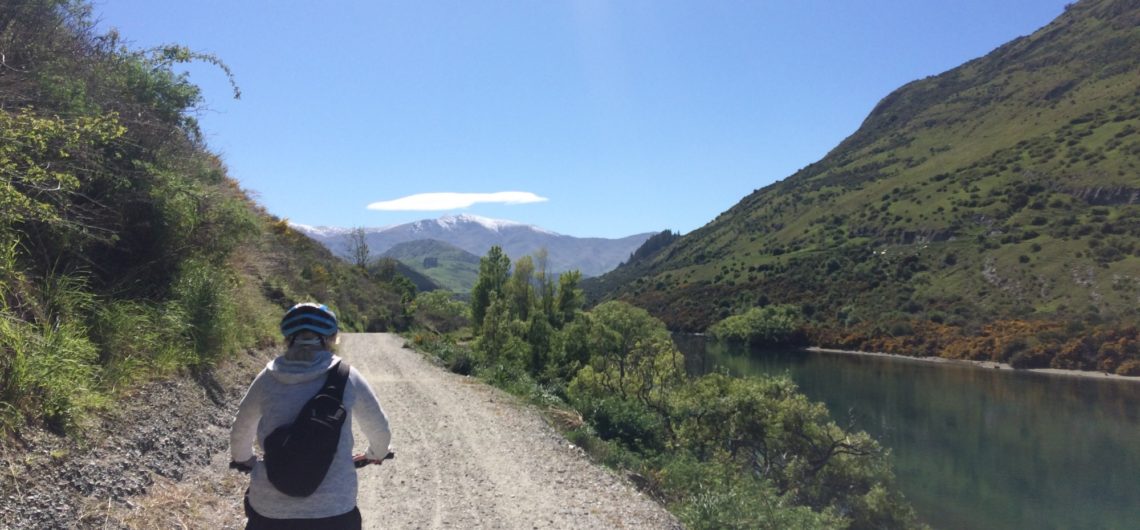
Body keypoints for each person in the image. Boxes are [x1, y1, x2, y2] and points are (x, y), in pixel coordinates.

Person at [230, 302, 391, 529]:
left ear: (288, 338)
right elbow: (380, 430)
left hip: (270, 511)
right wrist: (376, 453)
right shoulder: (347, 377)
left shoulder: (266, 378)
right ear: (332, 338)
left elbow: (240, 431)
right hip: (334, 509)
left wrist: (245, 459)